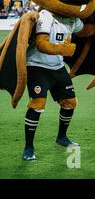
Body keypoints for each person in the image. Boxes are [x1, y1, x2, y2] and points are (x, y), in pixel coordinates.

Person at [23, 9, 83, 160]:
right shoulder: (45, 16)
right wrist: (64, 49)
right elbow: (41, 44)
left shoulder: (73, 19)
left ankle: (61, 137)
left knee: (70, 103)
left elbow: (86, 30)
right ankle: (29, 147)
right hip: (37, 66)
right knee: (37, 104)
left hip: (58, 67)